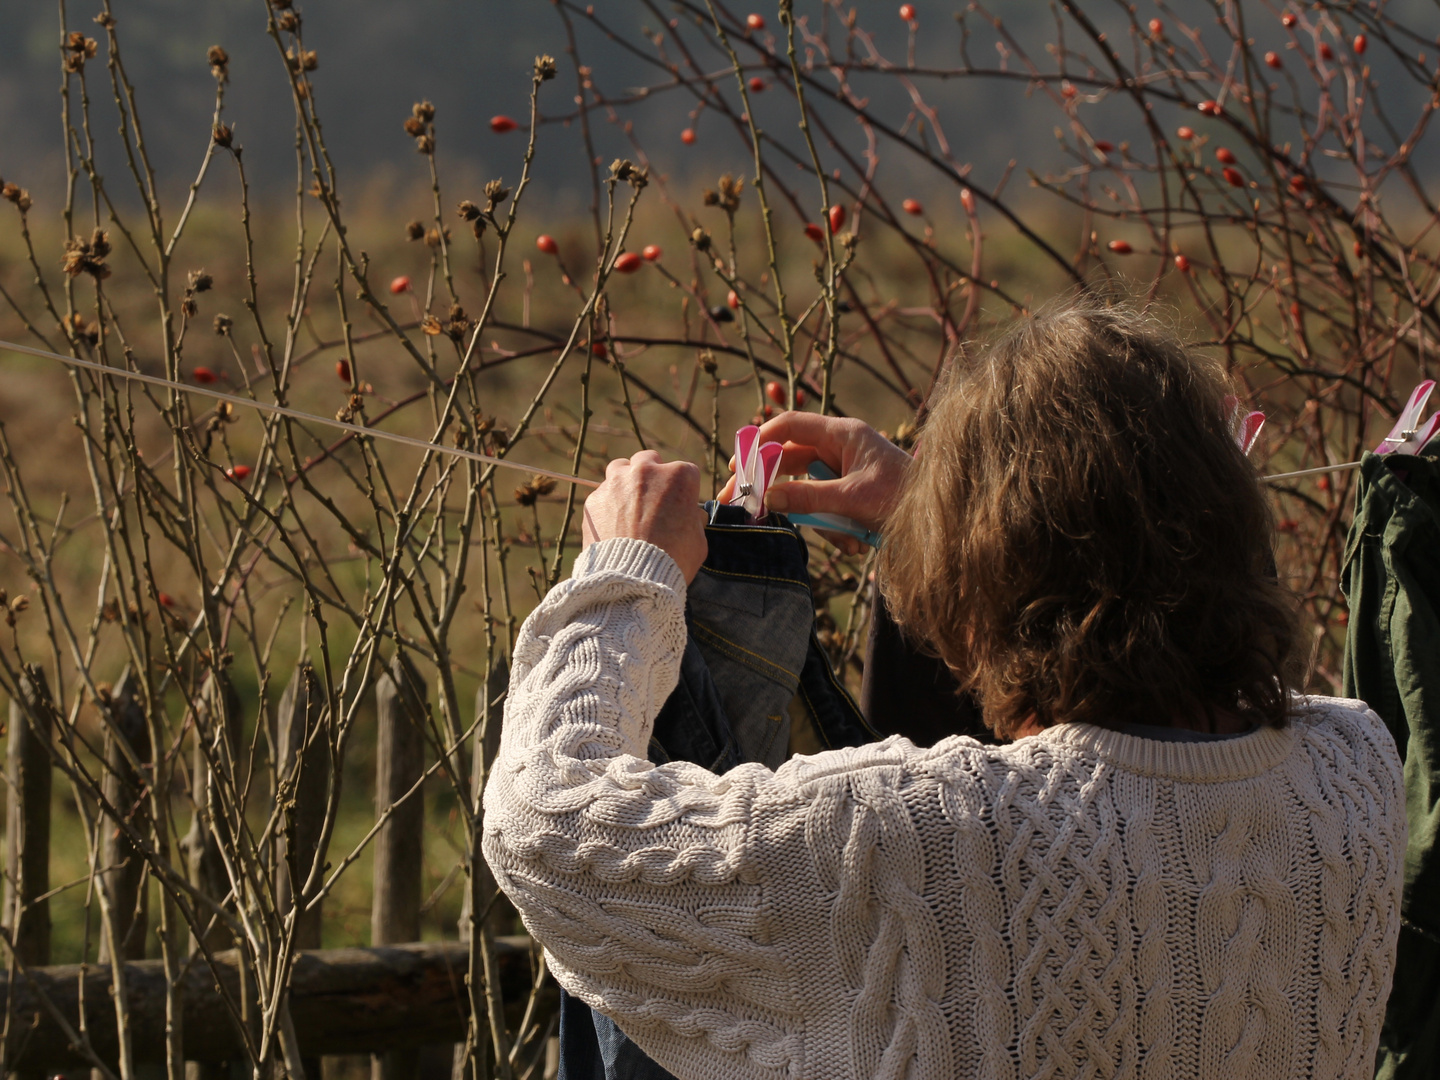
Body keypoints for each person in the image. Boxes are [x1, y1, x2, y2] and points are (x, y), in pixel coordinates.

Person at [483, 300, 1405, 1080]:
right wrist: (955, 537)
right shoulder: (1353, 771)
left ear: (991, 577)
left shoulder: (912, 834)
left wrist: (625, 575)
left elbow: (547, 824)